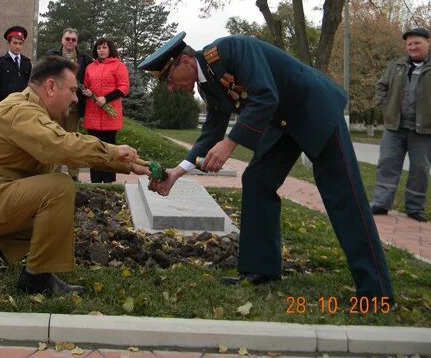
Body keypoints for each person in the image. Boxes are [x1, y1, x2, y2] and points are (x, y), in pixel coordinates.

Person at [139, 32, 394, 301]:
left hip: (313, 108)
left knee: (343, 193)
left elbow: (265, 96)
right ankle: (261, 270)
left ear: (186, 61)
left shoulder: (231, 49)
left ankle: (375, 290)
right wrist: (177, 173)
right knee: (257, 181)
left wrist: (230, 143)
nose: (169, 87)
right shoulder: (206, 85)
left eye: (168, 79)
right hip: (283, 123)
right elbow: (211, 131)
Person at [0, 56, 150, 295]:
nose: (76, 99)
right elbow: (63, 146)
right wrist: (116, 152)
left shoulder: (33, 110)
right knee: (59, 188)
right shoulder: (21, 111)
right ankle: (37, 278)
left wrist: (133, 164)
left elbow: (59, 149)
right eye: (73, 90)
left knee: (52, 196)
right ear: (51, 87)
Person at [371, 27, 431, 223]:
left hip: (423, 130)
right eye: (409, 44)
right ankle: (381, 203)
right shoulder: (396, 65)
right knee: (387, 164)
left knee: (420, 170)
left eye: (417, 43)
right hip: (394, 128)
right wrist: (386, 108)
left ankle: (414, 208)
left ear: (428, 43)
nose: (413, 47)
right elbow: (381, 86)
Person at [81, 37, 130, 183]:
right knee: (94, 150)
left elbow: (123, 87)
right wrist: (87, 92)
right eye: (98, 48)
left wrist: (106, 98)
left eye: (104, 47)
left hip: (110, 115)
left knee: (110, 150)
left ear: (110, 49)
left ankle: (108, 182)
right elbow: (85, 85)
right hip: (93, 114)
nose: (101, 50)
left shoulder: (119, 66)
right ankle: (95, 181)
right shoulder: (90, 67)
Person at [46, 28, 92, 181]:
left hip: (74, 106)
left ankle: (74, 174)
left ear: (77, 42)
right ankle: (55, 173)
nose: (70, 42)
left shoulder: (84, 58)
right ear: (62, 40)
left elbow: (91, 76)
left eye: (73, 39)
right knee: (56, 138)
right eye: (67, 39)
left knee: (73, 141)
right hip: (57, 105)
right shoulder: (52, 55)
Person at [0, 26, 32, 107]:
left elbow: (29, 86)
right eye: (15, 43)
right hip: (6, 104)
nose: (18, 46)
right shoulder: (0, 62)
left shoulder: (27, 62)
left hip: (22, 105)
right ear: (9, 43)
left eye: (20, 44)